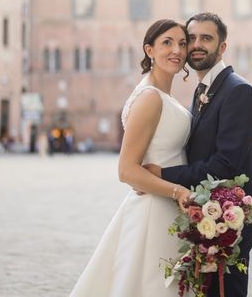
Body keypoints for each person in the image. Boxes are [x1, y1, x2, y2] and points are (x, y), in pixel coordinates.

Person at [144, 12, 252, 297]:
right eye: (191, 39)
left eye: (206, 38)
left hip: (229, 222)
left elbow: (226, 164)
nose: (196, 45)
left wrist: (163, 175)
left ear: (222, 47)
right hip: (202, 218)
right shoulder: (203, 90)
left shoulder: (239, 91)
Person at [70, 19, 192, 297]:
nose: (177, 50)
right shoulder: (150, 97)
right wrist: (178, 191)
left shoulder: (162, 95)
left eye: (182, 43)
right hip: (155, 209)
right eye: (167, 43)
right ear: (149, 50)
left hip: (169, 210)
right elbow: (126, 170)